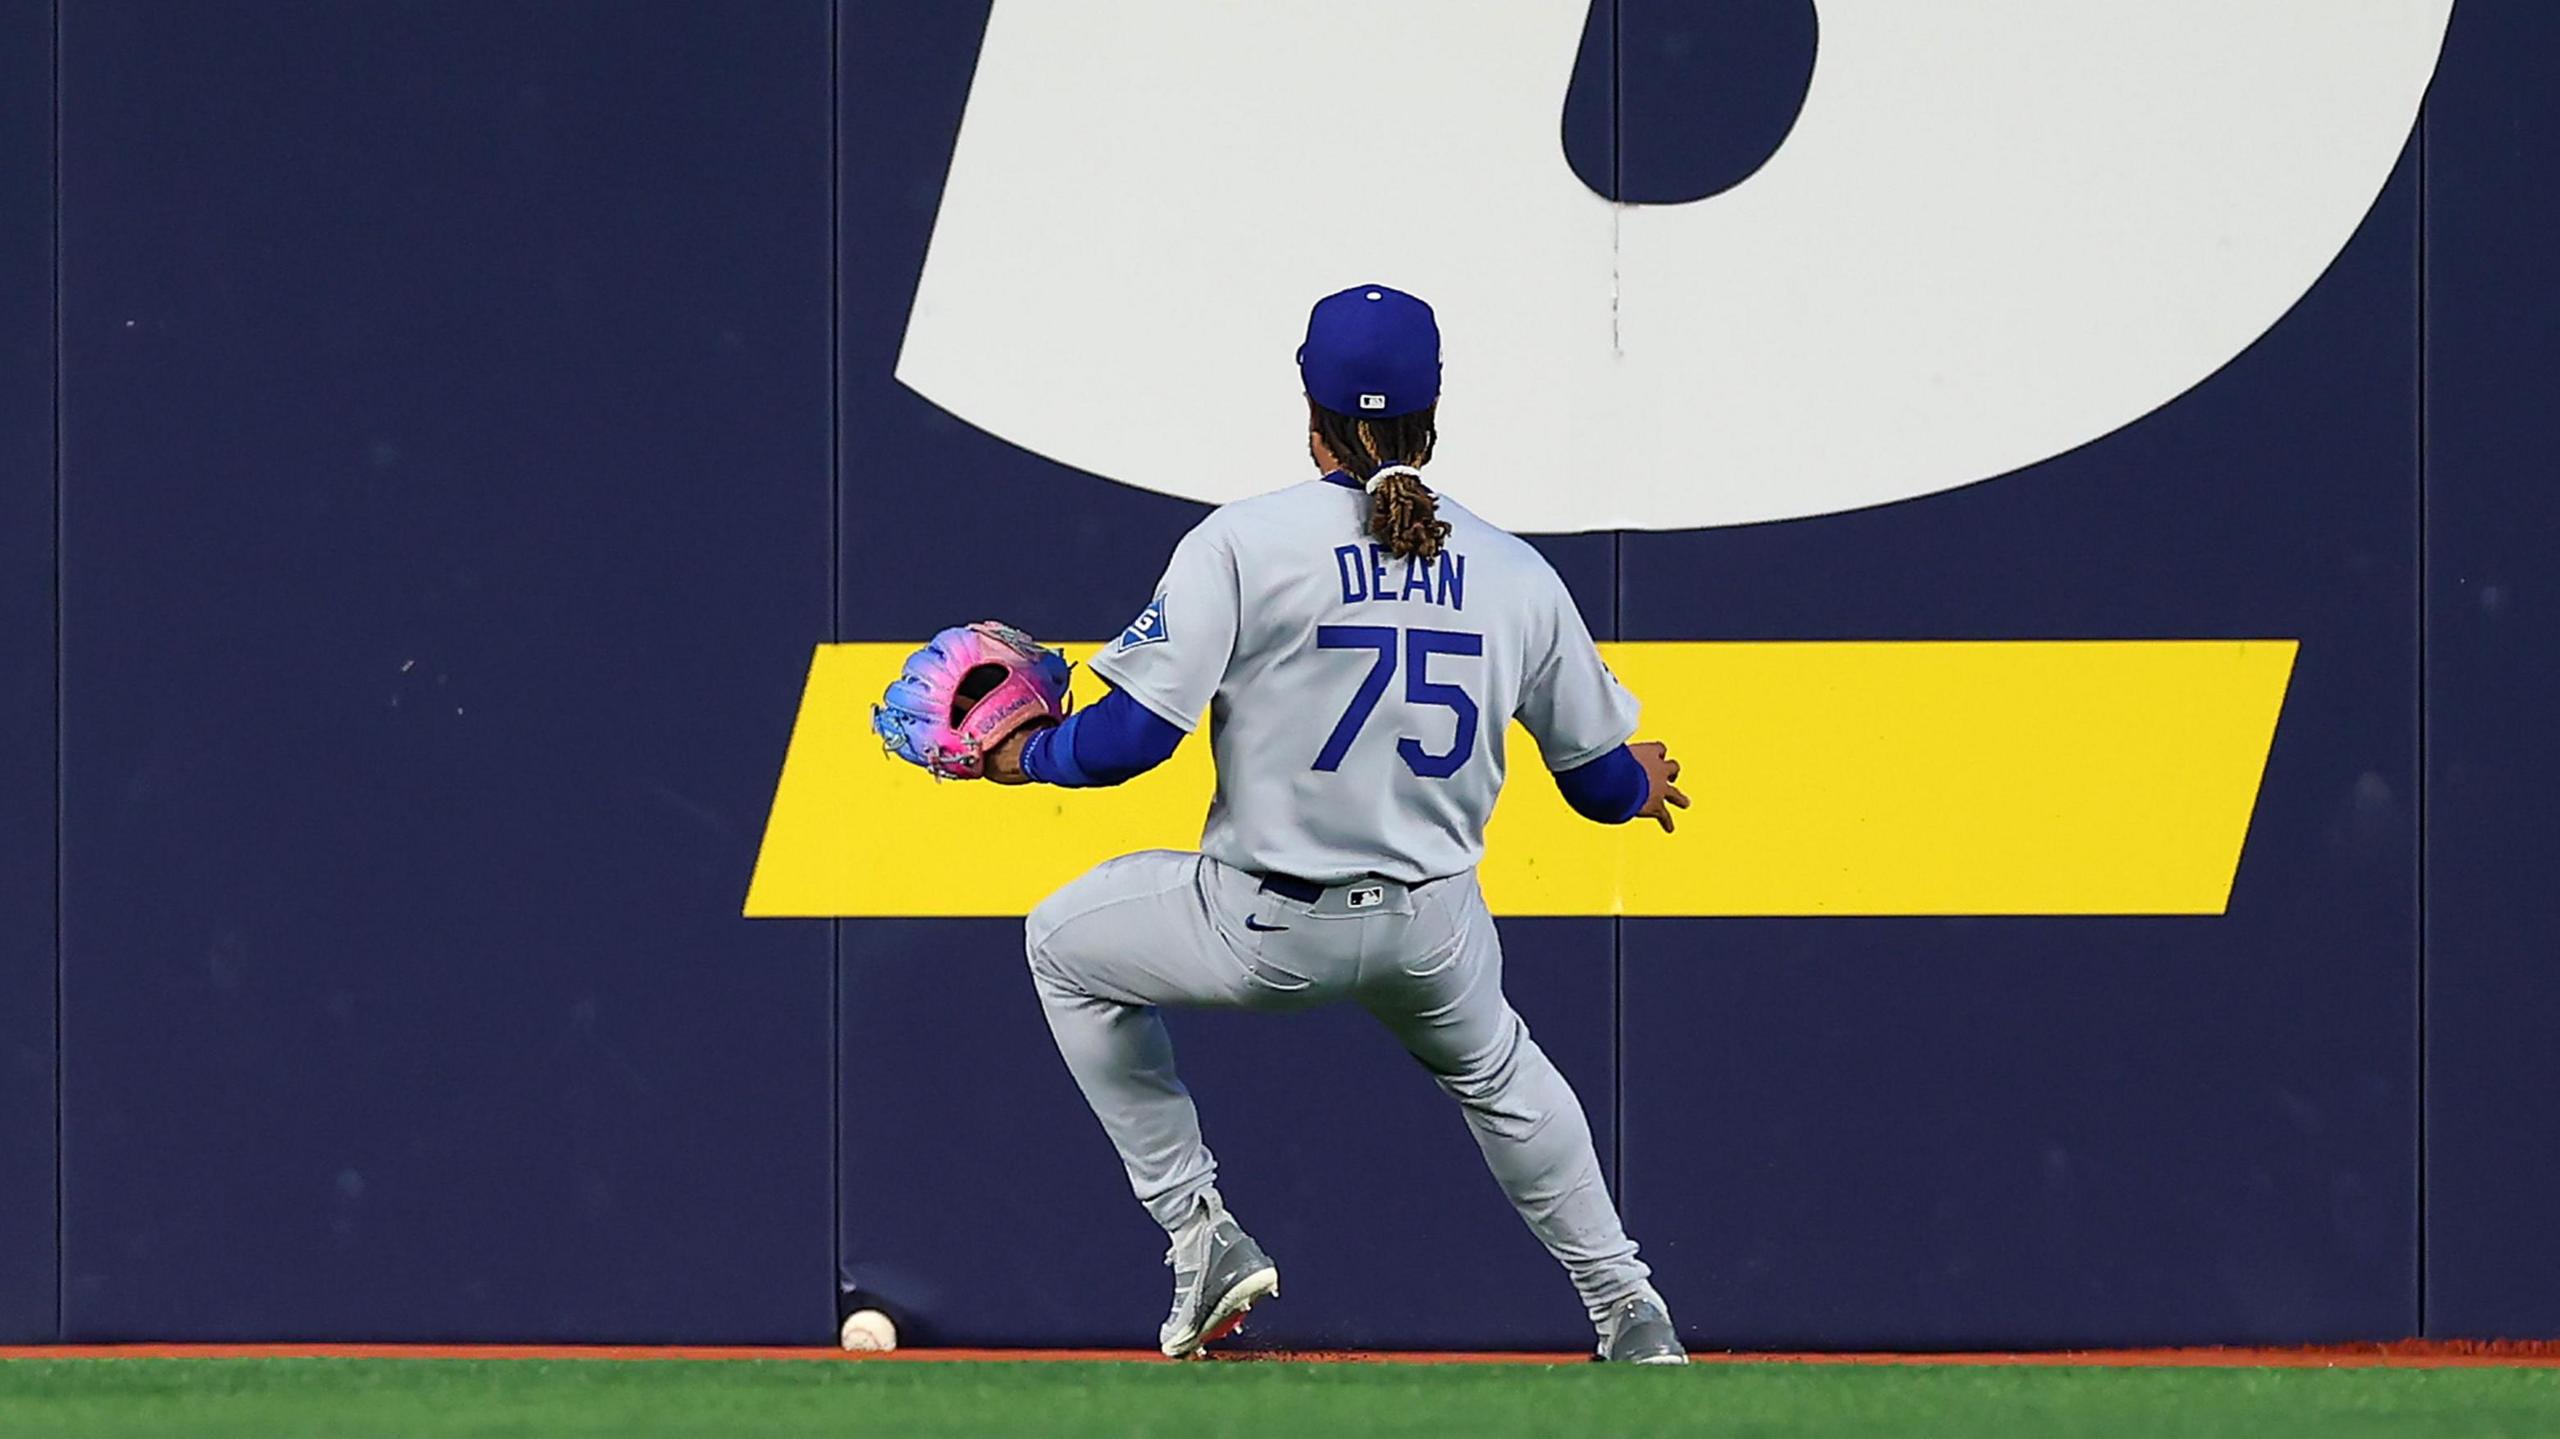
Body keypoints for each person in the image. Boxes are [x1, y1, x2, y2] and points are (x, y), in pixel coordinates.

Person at [985, 284, 1689, 1363]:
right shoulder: (1513, 569)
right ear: (1435, 412)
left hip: (1260, 927)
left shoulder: (1241, 544)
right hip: (1432, 931)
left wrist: (1027, 752)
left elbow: (1127, 743)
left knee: (1062, 946)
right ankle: (1629, 1308)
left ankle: (1198, 1231)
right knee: (1500, 1074)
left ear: (1307, 409)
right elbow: (1595, 787)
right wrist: (1637, 781)